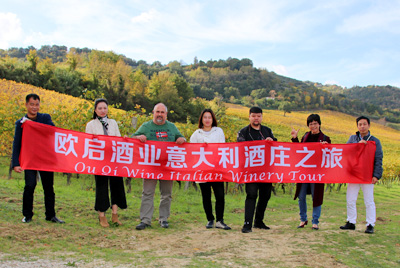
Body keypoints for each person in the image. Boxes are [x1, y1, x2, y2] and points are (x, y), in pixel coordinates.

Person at [12, 93, 65, 224]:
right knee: (30, 186)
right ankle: (27, 215)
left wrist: (36, 126)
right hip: (30, 159)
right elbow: (16, 143)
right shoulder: (21, 123)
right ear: (26, 105)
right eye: (32, 104)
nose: (34, 107)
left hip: (45, 159)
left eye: (37, 104)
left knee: (48, 187)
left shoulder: (45, 118)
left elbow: (52, 131)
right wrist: (15, 163)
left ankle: (51, 215)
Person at [132, 103, 186, 230]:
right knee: (147, 192)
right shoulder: (146, 126)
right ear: (153, 113)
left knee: (166, 194)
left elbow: (181, 138)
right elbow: (132, 138)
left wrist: (182, 139)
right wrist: (139, 137)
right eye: (158, 112)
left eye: (162, 112)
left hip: (167, 166)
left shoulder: (172, 127)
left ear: (166, 114)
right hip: (150, 166)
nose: (160, 115)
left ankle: (163, 218)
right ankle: (145, 220)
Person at [85, 98, 127, 227]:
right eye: (100, 108)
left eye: (105, 108)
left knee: (116, 185)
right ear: (95, 110)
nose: (103, 111)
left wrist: (123, 140)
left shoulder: (113, 122)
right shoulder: (91, 124)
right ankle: (102, 215)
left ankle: (115, 214)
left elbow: (118, 139)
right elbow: (87, 142)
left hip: (114, 159)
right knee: (101, 186)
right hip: (99, 160)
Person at [340, 116, 383, 234]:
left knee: (369, 200)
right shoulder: (353, 138)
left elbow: (378, 158)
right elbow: (346, 153)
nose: (362, 126)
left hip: (368, 175)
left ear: (369, 125)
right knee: (350, 199)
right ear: (357, 126)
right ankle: (351, 222)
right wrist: (357, 145)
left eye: (364, 124)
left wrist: (376, 175)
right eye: (360, 124)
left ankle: (370, 224)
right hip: (353, 174)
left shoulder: (375, 141)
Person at [237, 107, 277, 233]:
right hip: (250, 170)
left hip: (266, 170)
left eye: (258, 116)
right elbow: (240, 146)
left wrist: (271, 141)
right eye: (253, 116)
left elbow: (276, 145)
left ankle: (258, 221)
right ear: (249, 117)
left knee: (265, 195)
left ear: (262, 117)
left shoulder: (267, 131)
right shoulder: (243, 132)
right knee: (252, 194)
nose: (256, 118)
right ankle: (247, 223)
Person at [190, 109, 231, 230]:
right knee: (206, 196)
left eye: (209, 117)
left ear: (213, 119)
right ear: (201, 120)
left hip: (216, 169)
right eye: (205, 117)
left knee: (219, 195)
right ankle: (210, 219)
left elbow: (222, 147)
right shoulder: (196, 134)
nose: (207, 120)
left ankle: (220, 220)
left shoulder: (218, 131)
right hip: (202, 169)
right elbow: (191, 150)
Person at [291, 114, 331, 230]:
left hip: (317, 173)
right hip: (304, 172)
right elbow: (298, 151)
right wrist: (294, 138)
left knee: (316, 196)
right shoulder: (305, 136)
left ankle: (315, 221)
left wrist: (326, 148)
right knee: (301, 196)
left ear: (319, 124)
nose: (313, 126)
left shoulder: (325, 139)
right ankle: (303, 219)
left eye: (315, 123)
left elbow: (329, 156)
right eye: (310, 124)